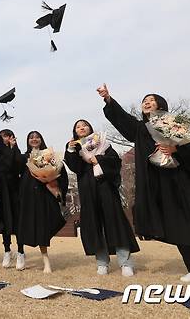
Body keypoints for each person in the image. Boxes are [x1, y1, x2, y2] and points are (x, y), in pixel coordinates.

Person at [97, 83, 190, 284]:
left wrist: (176, 150)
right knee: (177, 225)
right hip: (161, 183)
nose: (147, 102)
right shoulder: (140, 129)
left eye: (151, 100)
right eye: (144, 101)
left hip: (185, 179)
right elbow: (122, 118)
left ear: (161, 104)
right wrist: (108, 99)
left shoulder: (174, 121)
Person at [63, 119, 139, 277]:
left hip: (106, 186)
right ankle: (102, 262)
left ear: (90, 128)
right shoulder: (74, 146)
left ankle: (125, 262)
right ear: (75, 131)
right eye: (77, 126)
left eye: (84, 125)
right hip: (87, 189)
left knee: (115, 221)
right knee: (94, 224)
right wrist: (70, 150)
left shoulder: (102, 142)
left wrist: (99, 159)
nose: (81, 128)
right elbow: (75, 167)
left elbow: (115, 162)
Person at [16, 131, 68, 272]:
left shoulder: (49, 156)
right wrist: (12, 147)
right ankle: (20, 253)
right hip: (27, 195)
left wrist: (50, 179)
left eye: (37, 137)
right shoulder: (23, 157)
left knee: (43, 227)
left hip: (44, 194)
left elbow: (60, 171)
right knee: (23, 224)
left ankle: (46, 261)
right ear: (27, 141)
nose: (34, 139)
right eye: (31, 137)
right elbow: (12, 166)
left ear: (41, 139)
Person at [0, 129, 23, 269]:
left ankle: (21, 252)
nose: (4, 138)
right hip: (1, 192)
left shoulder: (15, 150)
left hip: (15, 191)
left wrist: (13, 148)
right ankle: (7, 250)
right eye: (2, 136)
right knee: (4, 222)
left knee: (18, 222)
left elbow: (18, 166)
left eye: (7, 136)